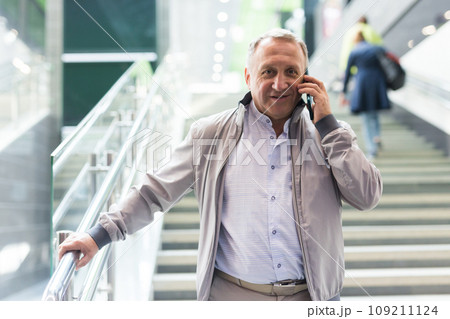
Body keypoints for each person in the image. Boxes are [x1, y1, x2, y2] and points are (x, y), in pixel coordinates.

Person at [59, 29, 383, 301]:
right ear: (248, 76)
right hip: (232, 298)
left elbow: (367, 196)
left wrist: (327, 125)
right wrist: (96, 237)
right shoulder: (211, 134)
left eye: (291, 72)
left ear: (306, 78)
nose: (280, 83)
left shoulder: (329, 135)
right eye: (268, 71)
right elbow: (152, 192)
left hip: (313, 299)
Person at [339, 31, 390, 159]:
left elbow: (348, 72)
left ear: (355, 41)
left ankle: (372, 148)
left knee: (366, 117)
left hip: (362, 84)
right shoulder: (376, 48)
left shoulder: (355, 51)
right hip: (377, 83)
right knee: (374, 113)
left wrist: (344, 91)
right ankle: (376, 136)